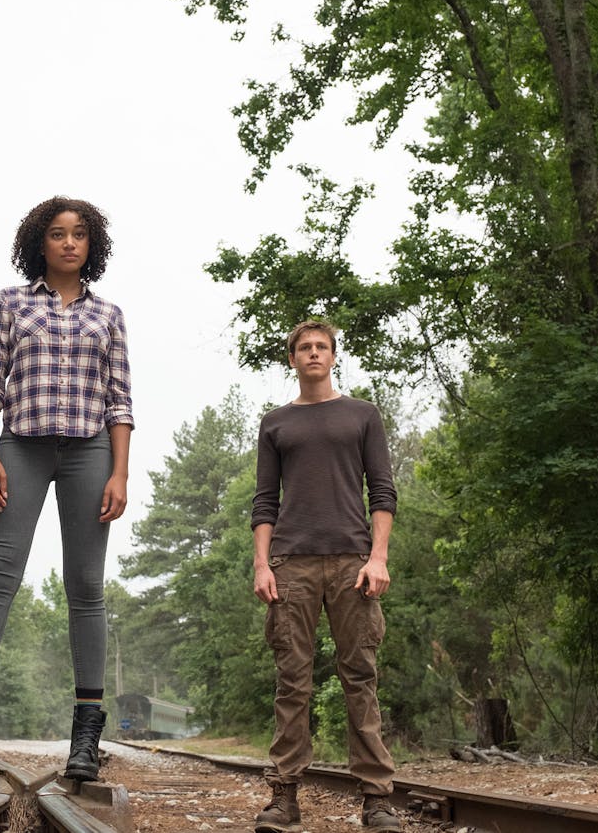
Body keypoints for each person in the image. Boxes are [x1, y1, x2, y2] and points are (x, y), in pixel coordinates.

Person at [0, 196, 134, 783]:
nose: (69, 243)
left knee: (86, 586)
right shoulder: (10, 303)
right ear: (38, 243)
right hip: (20, 446)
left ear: (91, 245)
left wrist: (119, 472)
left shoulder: (110, 315)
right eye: (57, 234)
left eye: (79, 235)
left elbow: (120, 400)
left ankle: (86, 736)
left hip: (90, 451)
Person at [251, 320, 402, 832]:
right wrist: (260, 565)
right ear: (291, 358)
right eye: (304, 347)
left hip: (352, 564)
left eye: (322, 346)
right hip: (291, 565)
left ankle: (377, 800)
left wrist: (376, 557)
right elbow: (264, 502)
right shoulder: (275, 423)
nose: (313, 353)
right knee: (292, 681)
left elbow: (382, 491)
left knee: (359, 677)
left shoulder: (362, 415)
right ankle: (284, 798)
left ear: (334, 356)